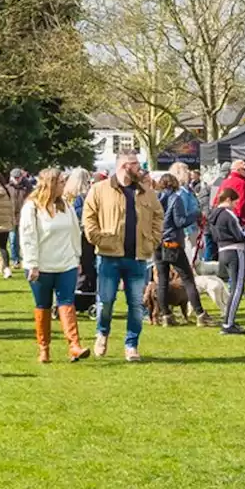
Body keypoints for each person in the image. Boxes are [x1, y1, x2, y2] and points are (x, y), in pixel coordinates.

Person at [82, 151, 163, 362]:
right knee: (106, 301)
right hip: (109, 256)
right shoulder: (99, 190)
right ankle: (102, 333)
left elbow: (158, 217)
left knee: (136, 304)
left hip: (137, 257)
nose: (140, 169)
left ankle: (131, 345)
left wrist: (152, 240)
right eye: (136, 164)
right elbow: (89, 218)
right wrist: (99, 239)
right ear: (125, 166)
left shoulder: (147, 192)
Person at [20, 168, 89, 363]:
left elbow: (75, 232)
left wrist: (77, 258)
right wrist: (32, 264)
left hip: (66, 264)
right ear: (50, 184)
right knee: (43, 306)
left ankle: (74, 345)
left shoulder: (66, 205)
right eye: (60, 182)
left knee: (67, 302)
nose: (64, 185)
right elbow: (28, 238)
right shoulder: (32, 208)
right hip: (41, 266)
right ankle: (44, 348)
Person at [153, 173, 208, 327]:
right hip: (172, 243)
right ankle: (200, 314)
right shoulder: (175, 199)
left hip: (157, 243)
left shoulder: (155, 199)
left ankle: (166, 315)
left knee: (162, 281)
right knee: (188, 279)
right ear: (174, 184)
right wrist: (195, 214)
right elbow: (180, 221)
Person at [209, 188, 245, 335]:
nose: (236, 205)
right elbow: (239, 234)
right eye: (235, 202)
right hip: (235, 250)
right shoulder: (228, 215)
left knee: (234, 287)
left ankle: (229, 320)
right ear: (228, 200)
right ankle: (228, 323)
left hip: (223, 250)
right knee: (238, 288)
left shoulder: (214, 215)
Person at [63, 168, 99, 319]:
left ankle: (74, 297)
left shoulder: (66, 197)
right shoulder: (87, 197)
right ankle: (85, 297)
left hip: (69, 237)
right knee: (87, 267)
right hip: (84, 237)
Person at [215, 160, 245, 227]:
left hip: (222, 219)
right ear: (238, 170)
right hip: (237, 222)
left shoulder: (224, 182)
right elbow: (243, 204)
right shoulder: (241, 183)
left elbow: (216, 201)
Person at [7, 168, 33, 268]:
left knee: (25, 239)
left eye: (18, 177)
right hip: (12, 216)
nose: (17, 179)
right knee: (13, 240)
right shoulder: (8, 188)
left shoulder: (28, 187)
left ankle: (26, 258)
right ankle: (15, 259)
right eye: (15, 178)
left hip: (24, 216)